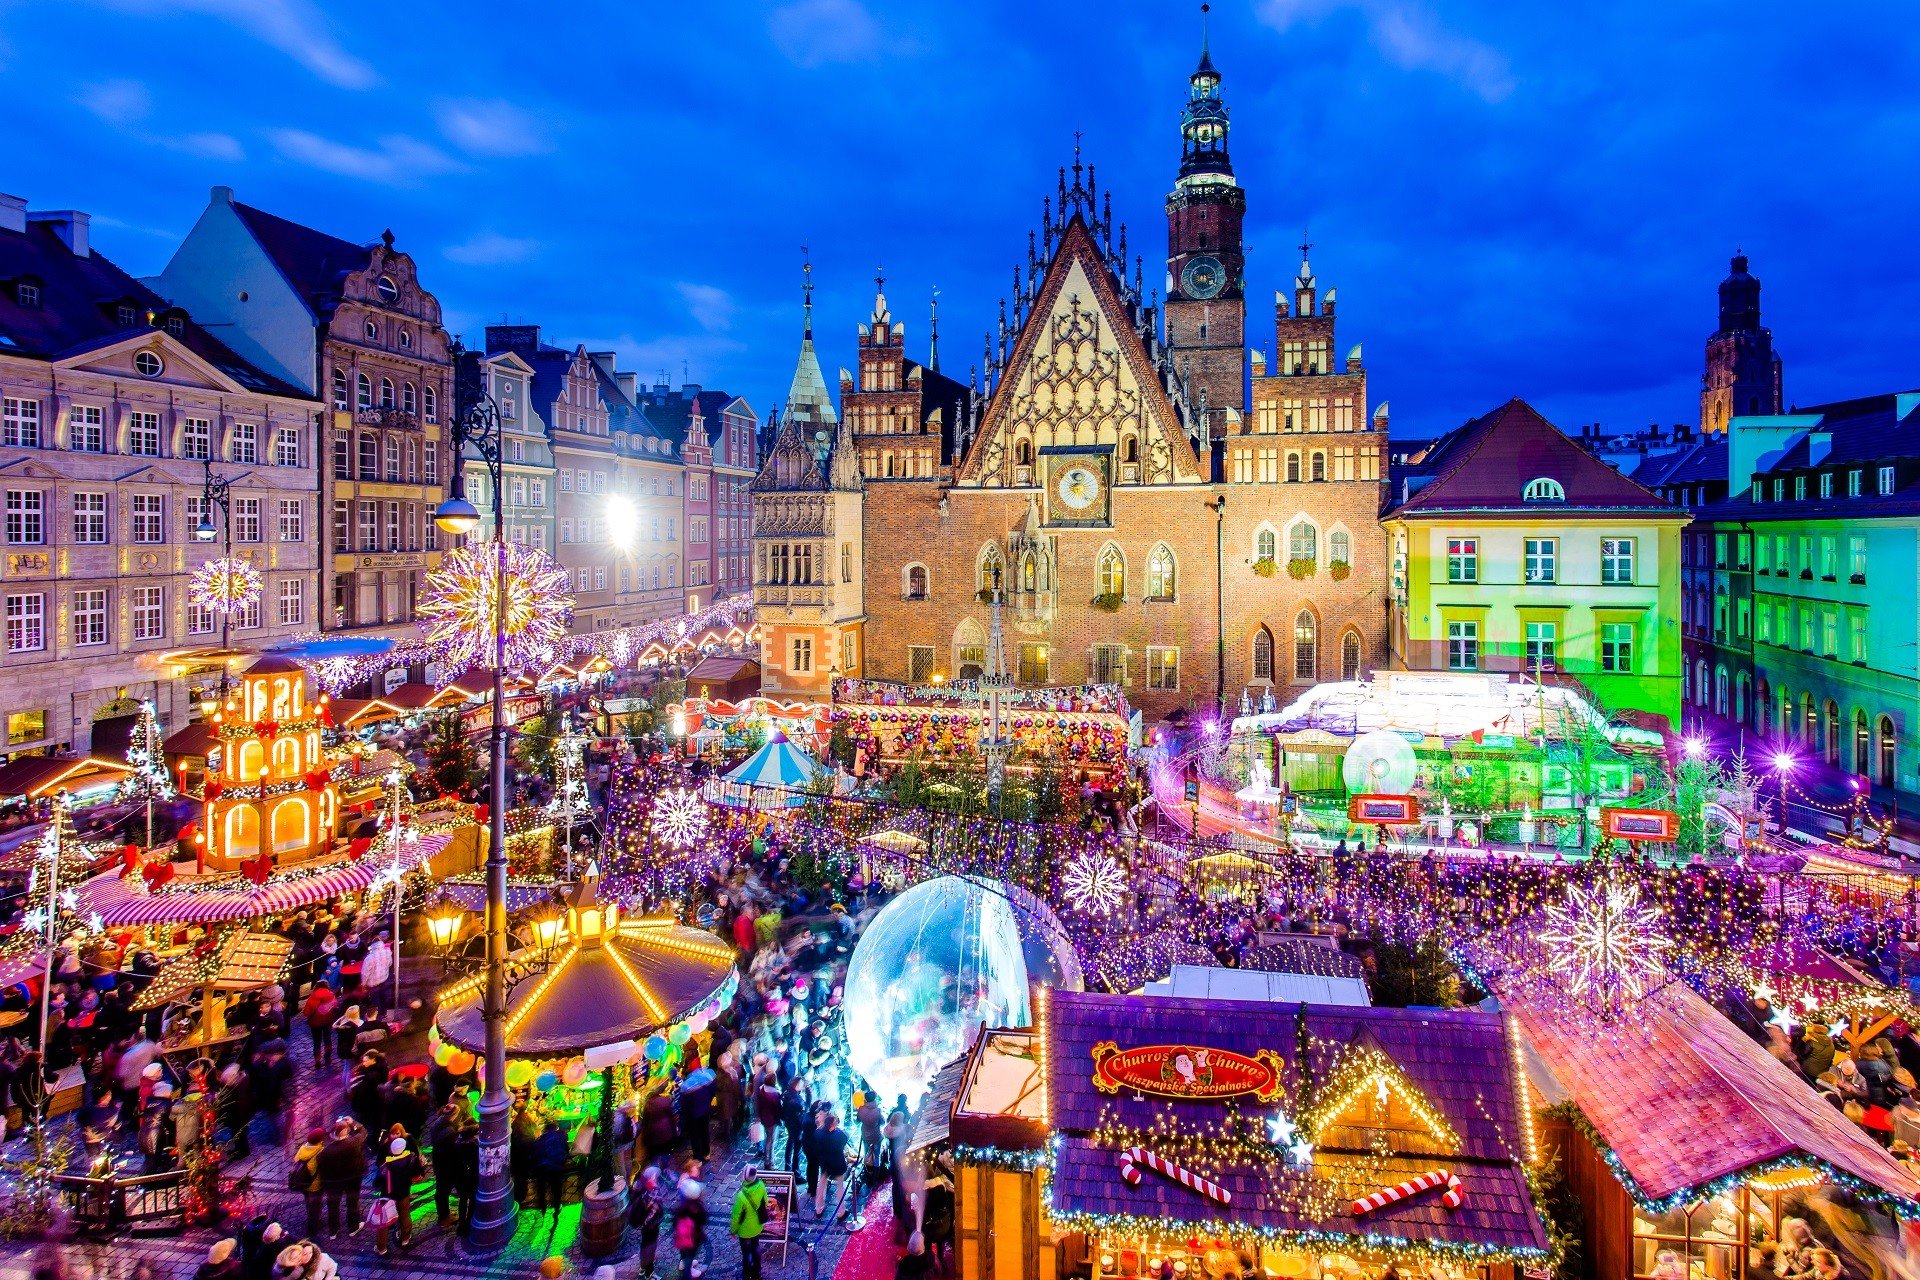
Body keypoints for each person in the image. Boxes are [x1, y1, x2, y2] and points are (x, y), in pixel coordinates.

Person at [315, 1117, 367, 1237]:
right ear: (345, 1131)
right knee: (352, 1202)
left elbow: (321, 1167)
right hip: (353, 1178)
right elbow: (363, 1132)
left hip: (334, 1182)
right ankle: (353, 1228)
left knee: (333, 1205)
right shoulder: (354, 1142)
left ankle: (334, 1231)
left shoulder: (326, 1152)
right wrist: (353, 1122)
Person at [379, 1135, 422, 1250]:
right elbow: (418, 1173)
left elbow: (377, 1182)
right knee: (404, 1214)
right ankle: (405, 1238)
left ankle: (381, 1247)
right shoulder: (411, 1159)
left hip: (388, 1195)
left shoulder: (386, 1165)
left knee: (384, 1221)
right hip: (403, 1192)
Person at [631, 1165, 670, 1278]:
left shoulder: (639, 1186)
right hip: (651, 1226)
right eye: (655, 1177)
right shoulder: (652, 1192)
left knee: (644, 1245)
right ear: (651, 1178)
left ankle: (642, 1268)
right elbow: (655, 1210)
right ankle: (650, 1273)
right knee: (650, 1248)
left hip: (644, 1226)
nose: (657, 1178)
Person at [731, 1166, 769, 1280]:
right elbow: (765, 1202)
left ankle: (746, 1275)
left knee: (747, 1253)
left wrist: (733, 1230)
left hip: (745, 1231)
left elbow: (736, 1216)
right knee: (756, 1249)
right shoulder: (761, 1185)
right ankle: (757, 1273)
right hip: (757, 1226)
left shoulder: (741, 1196)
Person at [812, 1109, 850, 1217]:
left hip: (824, 1163)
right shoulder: (839, 1135)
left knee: (821, 1185)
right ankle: (841, 1212)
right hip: (837, 1164)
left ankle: (818, 1208)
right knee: (840, 1187)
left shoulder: (818, 1132)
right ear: (832, 1125)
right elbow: (844, 1140)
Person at [290, 1128, 326, 1239]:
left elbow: (295, 1160)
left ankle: (315, 1219)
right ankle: (313, 1228)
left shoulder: (302, 1148)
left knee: (308, 1202)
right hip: (315, 1184)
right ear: (320, 1140)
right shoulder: (321, 1151)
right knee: (316, 1206)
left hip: (303, 1183)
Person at [673, 1175, 708, 1280]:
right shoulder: (698, 1208)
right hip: (693, 1239)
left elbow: (674, 1222)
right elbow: (703, 1220)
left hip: (681, 1239)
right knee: (690, 1256)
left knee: (684, 1254)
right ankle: (688, 1273)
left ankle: (684, 1263)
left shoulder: (681, 1208)